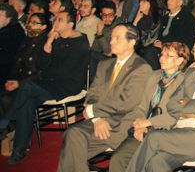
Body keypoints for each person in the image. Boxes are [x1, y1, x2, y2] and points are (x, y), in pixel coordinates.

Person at [125, 35, 195, 171]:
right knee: (157, 162)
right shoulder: (191, 74)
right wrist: (191, 113)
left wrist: (186, 105)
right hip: (184, 134)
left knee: (154, 137)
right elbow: (172, 104)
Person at [57, 24, 151, 172]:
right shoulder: (104, 64)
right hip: (99, 122)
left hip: (119, 125)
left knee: (72, 141)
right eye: (111, 37)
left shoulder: (141, 68)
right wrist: (97, 119)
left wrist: (93, 111)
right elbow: (92, 93)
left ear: (131, 42)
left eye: (117, 38)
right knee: (72, 138)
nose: (111, 41)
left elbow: (125, 103)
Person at [1, 11, 90, 165]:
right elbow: (41, 64)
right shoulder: (55, 39)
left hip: (67, 85)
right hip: (49, 82)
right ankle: (19, 150)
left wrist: (47, 67)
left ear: (70, 24)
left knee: (26, 86)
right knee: (27, 102)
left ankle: (4, 123)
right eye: (55, 19)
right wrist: (48, 41)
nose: (56, 22)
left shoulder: (80, 41)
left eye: (60, 20)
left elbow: (64, 70)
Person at [108, 42, 189, 172]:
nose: (162, 58)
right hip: (142, 128)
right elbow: (141, 106)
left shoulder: (185, 81)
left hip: (164, 132)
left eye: (169, 56)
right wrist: (140, 126)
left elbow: (175, 115)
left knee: (149, 164)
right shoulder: (154, 76)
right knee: (118, 159)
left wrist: (148, 123)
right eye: (162, 54)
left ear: (180, 60)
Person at [144, 0, 195, 69]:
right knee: (147, 50)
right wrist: (157, 41)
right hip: (163, 48)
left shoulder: (187, 17)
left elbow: (187, 41)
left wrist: (165, 46)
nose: (168, 1)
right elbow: (159, 35)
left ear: (180, 2)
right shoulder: (165, 17)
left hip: (176, 50)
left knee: (150, 52)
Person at [0, 4, 25, 85]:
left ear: (9, 17)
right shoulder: (3, 28)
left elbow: (9, 57)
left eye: (0, 15)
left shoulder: (15, 32)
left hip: (7, 72)